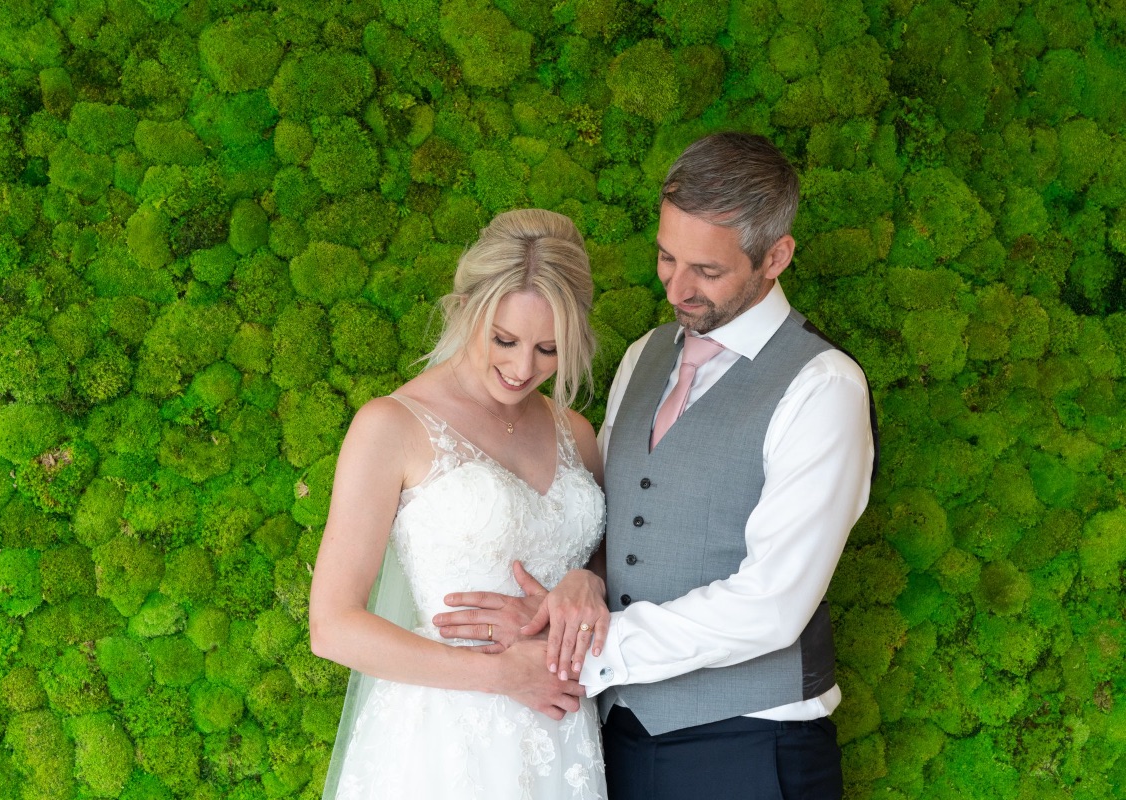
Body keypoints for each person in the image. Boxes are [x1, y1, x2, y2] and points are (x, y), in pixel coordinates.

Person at [436, 132, 877, 799]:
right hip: (617, 739)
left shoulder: (823, 386)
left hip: (751, 744)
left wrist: (586, 650)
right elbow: (619, 519)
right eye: (667, 258)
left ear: (775, 257)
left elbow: (774, 603)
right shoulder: (645, 356)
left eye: (707, 270)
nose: (678, 287)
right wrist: (583, 584)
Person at [308, 208, 609, 799]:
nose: (524, 369)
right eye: (505, 339)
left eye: (549, 349)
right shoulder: (390, 425)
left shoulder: (577, 432)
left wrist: (587, 584)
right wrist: (500, 674)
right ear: (464, 307)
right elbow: (333, 627)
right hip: (443, 738)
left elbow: (600, 567)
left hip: (563, 736)